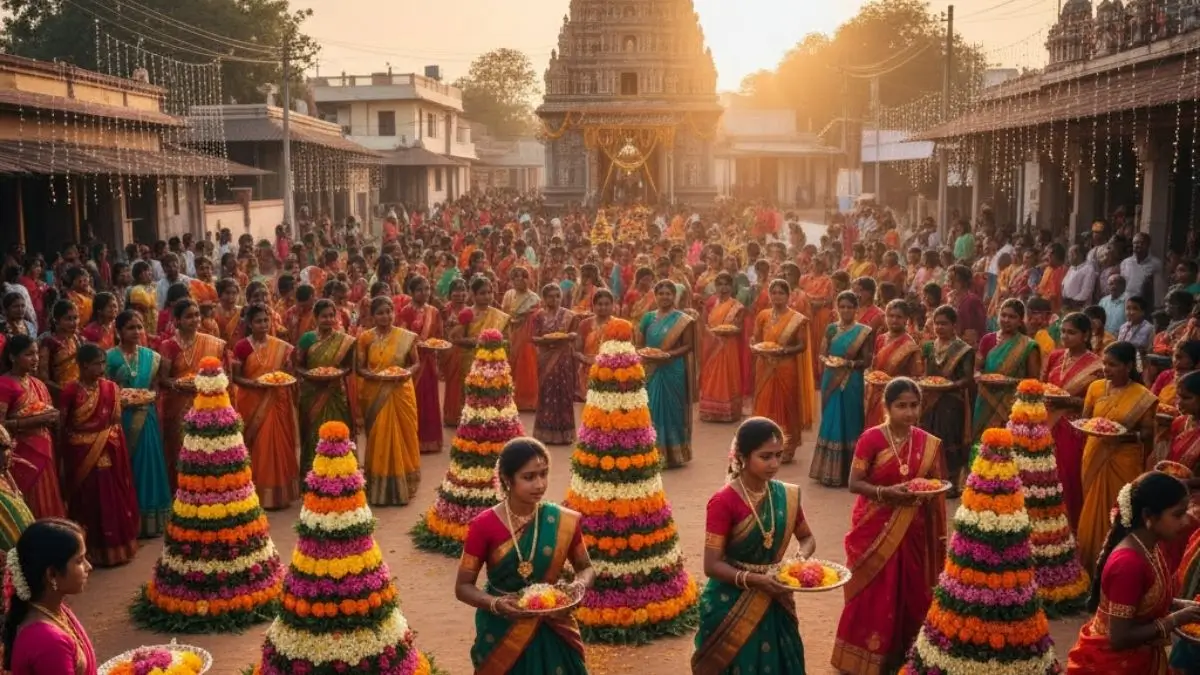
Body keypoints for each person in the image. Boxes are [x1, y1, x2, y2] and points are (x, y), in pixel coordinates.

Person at [832, 378, 946, 674]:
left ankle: (907, 654)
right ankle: (864, 658)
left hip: (914, 528)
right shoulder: (871, 439)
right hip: (874, 526)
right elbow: (854, 483)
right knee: (873, 588)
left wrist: (925, 493)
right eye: (901, 406)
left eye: (914, 405)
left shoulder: (928, 442)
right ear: (887, 406)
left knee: (912, 587)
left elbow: (935, 484)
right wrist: (886, 493)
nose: (909, 412)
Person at [454, 438, 593, 674]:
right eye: (529, 477)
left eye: (544, 474)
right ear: (507, 480)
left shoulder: (562, 521)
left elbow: (586, 568)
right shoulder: (483, 526)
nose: (540, 484)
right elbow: (463, 587)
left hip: (554, 624)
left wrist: (576, 588)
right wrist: (496, 604)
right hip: (503, 631)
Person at [692, 417, 815, 675]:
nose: (774, 464)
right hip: (731, 602)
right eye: (765, 456)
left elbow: (807, 538)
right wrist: (756, 580)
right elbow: (711, 565)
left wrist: (798, 560)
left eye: (778, 455)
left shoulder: (787, 495)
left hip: (777, 594)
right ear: (742, 457)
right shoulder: (723, 502)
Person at [1066, 472, 1200, 673]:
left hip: (1143, 658)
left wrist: (1182, 605)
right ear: (1148, 516)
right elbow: (1119, 638)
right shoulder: (1128, 564)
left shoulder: (1151, 545)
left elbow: (1144, 599)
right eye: (1177, 515)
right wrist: (1176, 619)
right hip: (1114, 664)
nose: (1185, 522)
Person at [1077, 342, 1160, 576]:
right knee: (1090, 509)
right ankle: (1088, 564)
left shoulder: (1143, 397)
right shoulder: (1095, 388)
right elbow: (1086, 420)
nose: (1106, 369)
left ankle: (1113, 565)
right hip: (1094, 453)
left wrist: (1122, 435)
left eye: (1112, 365)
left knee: (1118, 510)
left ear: (1129, 366)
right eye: (1104, 363)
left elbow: (1147, 433)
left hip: (1123, 458)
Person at [60, 343, 139, 567]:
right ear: (83, 366)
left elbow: (115, 423)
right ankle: (89, 552)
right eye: (97, 364)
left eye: (103, 363)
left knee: (111, 497)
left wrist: (106, 440)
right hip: (80, 454)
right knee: (87, 500)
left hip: (108, 450)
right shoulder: (70, 391)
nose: (102, 368)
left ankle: (116, 550)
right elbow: (63, 426)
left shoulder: (110, 388)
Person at [1, 519, 97, 675]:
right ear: (52, 574)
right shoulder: (48, 641)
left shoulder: (52, 609)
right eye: (79, 561)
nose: (89, 567)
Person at [104, 311, 169, 537]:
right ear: (119, 331)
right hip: (121, 417)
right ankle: (127, 520)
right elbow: (104, 388)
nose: (137, 332)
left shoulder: (152, 357)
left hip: (145, 415)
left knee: (148, 464)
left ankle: (150, 522)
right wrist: (118, 387)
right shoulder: (109, 357)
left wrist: (149, 396)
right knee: (125, 466)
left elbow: (155, 387)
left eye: (139, 327)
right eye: (131, 327)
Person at [231, 303, 300, 511]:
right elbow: (236, 377)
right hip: (252, 401)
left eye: (265, 320)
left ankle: (279, 494)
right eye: (258, 321)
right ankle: (256, 492)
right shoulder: (242, 347)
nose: (263, 324)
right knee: (259, 445)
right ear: (250, 324)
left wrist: (287, 371)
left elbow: (288, 373)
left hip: (277, 399)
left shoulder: (281, 346)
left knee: (279, 442)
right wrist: (255, 384)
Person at [355, 296, 421, 506]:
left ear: (394, 312)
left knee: (404, 435)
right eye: (380, 313)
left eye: (389, 312)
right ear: (373, 316)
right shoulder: (365, 338)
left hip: (400, 390)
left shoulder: (406, 337)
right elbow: (360, 368)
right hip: (375, 391)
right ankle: (379, 489)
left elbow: (415, 363)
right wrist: (374, 376)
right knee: (378, 435)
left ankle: (404, 486)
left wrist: (405, 373)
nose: (385, 316)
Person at [1043, 313, 1105, 532]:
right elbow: (1044, 385)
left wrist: (1067, 401)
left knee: (1067, 477)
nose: (1065, 336)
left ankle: (1068, 529)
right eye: (1063, 331)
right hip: (1048, 424)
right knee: (1043, 474)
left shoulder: (1097, 365)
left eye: (1072, 332)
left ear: (1085, 335)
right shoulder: (1056, 357)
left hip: (1074, 428)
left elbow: (1095, 402)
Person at [157, 299, 226, 490]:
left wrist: (208, 382)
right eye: (189, 316)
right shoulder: (168, 346)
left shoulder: (211, 342)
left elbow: (221, 374)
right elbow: (163, 379)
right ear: (177, 320)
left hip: (205, 403)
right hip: (177, 405)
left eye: (197, 315)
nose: (195, 319)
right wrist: (179, 384)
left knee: (206, 446)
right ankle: (182, 489)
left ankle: (206, 489)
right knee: (180, 447)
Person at [810, 291, 873, 488]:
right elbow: (822, 353)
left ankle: (850, 471)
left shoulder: (864, 332)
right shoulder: (831, 329)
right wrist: (828, 361)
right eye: (842, 307)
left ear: (856, 309)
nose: (845, 310)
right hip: (831, 378)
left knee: (851, 420)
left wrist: (848, 363)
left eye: (849, 307)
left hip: (852, 380)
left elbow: (867, 361)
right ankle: (828, 471)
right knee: (830, 419)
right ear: (837, 308)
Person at [751, 280, 813, 463]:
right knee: (764, 402)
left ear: (788, 296)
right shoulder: (763, 315)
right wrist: (754, 347)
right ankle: (762, 444)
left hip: (786, 367)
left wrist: (783, 351)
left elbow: (802, 345)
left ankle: (785, 447)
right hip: (764, 365)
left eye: (781, 293)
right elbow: (756, 339)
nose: (777, 296)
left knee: (786, 405)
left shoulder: (797, 319)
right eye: (774, 292)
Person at [637, 280, 697, 468]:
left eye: (668, 293)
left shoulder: (683, 320)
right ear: (655, 296)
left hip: (673, 369)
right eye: (661, 293)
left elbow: (688, 345)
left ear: (674, 296)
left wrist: (668, 354)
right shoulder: (647, 318)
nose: (664, 297)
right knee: (650, 408)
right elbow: (639, 344)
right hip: (651, 368)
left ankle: (674, 454)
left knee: (673, 409)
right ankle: (652, 452)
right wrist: (647, 354)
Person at [295, 299, 355, 474]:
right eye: (324, 316)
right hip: (311, 392)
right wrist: (310, 375)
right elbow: (298, 365)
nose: (328, 320)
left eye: (331, 316)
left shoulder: (343, 340)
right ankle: (313, 473)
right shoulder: (307, 339)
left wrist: (337, 373)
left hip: (335, 391)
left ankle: (341, 474)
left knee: (338, 430)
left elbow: (348, 366)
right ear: (316, 317)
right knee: (312, 432)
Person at [919, 305, 974, 495]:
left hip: (952, 401)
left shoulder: (964, 350)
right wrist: (924, 383)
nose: (939, 327)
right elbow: (925, 372)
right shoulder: (928, 346)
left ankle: (950, 482)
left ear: (954, 325)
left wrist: (948, 386)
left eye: (944, 324)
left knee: (949, 437)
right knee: (929, 434)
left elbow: (967, 378)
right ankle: (929, 478)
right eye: (936, 323)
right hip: (930, 398)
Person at [447, 277, 511, 425]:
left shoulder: (500, 316)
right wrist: (475, 341)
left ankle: (491, 425)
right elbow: (455, 338)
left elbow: (507, 341)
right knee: (473, 396)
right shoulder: (467, 314)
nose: (487, 296)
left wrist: (495, 343)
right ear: (473, 294)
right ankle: (471, 426)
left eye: (490, 292)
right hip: (471, 362)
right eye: (482, 293)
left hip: (493, 363)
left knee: (492, 396)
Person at [973, 298, 1040, 438]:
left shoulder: (1028, 346)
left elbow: (1033, 382)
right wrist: (977, 375)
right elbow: (977, 368)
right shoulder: (987, 339)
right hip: (985, 399)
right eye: (1003, 315)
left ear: (1020, 321)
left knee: (1007, 442)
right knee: (982, 441)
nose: (1006, 320)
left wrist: (1010, 381)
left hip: (1012, 403)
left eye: (1012, 317)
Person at [397, 276, 444, 454]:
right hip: (413, 361)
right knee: (413, 399)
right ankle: (412, 441)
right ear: (411, 292)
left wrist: (433, 346)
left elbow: (439, 336)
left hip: (429, 361)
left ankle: (430, 440)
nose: (424, 293)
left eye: (427, 289)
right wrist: (416, 346)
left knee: (430, 399)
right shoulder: (405, 312)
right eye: (419, 290)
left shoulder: (434, 311)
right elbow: (401, 337)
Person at [1160, 371, 1200, 574]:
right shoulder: (1179, 423)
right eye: (1178, 396)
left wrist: (1188, 484)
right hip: (1174, 489)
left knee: (1180, 525)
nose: (1179, 402)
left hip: (1195, 497)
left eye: (1187, 398)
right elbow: (1168, 460)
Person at [863, 300, 921, 429]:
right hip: (875, 394)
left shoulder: (910, 345)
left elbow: (916, 377)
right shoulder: (881, 338)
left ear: (906, 319)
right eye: (891, 316)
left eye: (899, 317)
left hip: (897, 397)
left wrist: (892, 381)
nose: (894, 320)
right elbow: (874, 367)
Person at [532, 284, 577, 445]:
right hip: (545, 358)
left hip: (563, 358)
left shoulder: (570, 315)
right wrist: (546, 340)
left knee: (564, 393)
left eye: (557, 296)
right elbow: (534, 338)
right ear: (544, 298)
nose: (555, 299)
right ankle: (545, 433)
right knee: (546, 392)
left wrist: (570, 336)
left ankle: (565, 434)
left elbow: (574, 335)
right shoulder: (539, 316)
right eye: (550, 296)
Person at [699, 272, 745, 423]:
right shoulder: (711, 303)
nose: (723, 288)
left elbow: (738, 328)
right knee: (710, 374)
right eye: (720, 285)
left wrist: (725, 331)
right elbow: (704, 323)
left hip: (728, 344)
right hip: (711, 345)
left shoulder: (737, 306)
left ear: (732, 287)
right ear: (715, 287)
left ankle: (728, 412)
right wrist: (710, 334)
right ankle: (710, 411)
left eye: (726, 284)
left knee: (727, 374)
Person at [502, 267, 541, 412]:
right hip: (510, 333)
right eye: (516, 277)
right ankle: (507, 398)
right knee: (510, 364)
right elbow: (504, 314)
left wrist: (523, 317)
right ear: (512, 280)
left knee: (525, 363)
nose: (521, 279)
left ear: (530, 279)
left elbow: (536, 320)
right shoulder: (508, 295)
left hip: (526, 336)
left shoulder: (534, 298)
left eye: (524, 276)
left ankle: (526, 400)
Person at [575, 289, 615, 401]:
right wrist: (586, 359)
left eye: (607, 304)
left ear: (612, 305)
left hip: (611, 372)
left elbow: (625, 352)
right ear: (593, 306)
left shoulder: (619, 325)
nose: (603, 307)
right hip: (588, 372)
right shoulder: (584, 324)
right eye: (599, 304)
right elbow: (576, 350)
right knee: (590, 406)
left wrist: (607, 361)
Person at [38, 300, 81, 400]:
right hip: (58, 395)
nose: (73, 323)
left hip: (78, 393)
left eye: (75, 318)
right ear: (56, 320)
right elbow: (44, 379)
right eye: (68, 319)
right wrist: (66, 393)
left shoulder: (77, 339)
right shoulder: (49, 343)